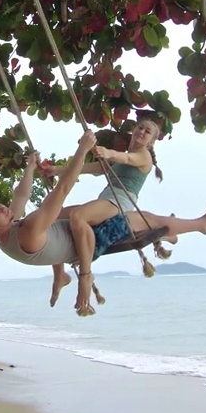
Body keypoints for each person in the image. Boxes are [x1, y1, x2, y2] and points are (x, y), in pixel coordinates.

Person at [0, 131, 206, 316]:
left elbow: (20, 196)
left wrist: (30, 168)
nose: (1, 208)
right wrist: (83, 148)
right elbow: (64, 188)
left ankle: (61, 276)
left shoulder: (4, 231)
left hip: (67, 235)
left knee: (59, 217)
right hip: (91, 240)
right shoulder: (27, 231)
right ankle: (201, 225)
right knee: (146, 220)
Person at [39, 115, 169, 307]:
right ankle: (60, 275)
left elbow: (126, 157)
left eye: (147, 131)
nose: (141, 132)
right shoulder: (120, 155)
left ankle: (85, 277)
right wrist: (57, 170)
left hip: (119, 203)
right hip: (105, 199)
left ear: (151, 141)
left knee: (78, 216)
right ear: (134, 130)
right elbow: (92, 167)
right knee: (52, 217)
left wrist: (108, 152)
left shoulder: (144, 156)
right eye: (140, 128)